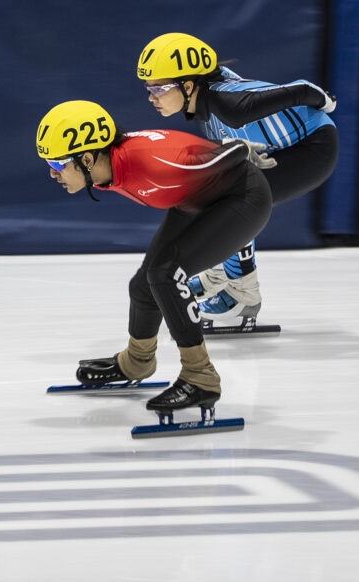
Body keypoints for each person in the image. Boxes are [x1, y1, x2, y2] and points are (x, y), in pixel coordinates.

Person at [36, 100, 274, 415]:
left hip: (242, 198)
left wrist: (241, 148)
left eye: (57, 164)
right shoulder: (109, 164)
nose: (53, 173)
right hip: (196, 196)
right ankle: (137, 361)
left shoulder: (150, 165)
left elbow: (218, 156)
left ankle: (201, 377)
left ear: (88, 158)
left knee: (165, 274)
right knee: (143, 285)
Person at [137, 33, 339, 329]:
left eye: (159, 88)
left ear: (188, 85)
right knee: (206, 193)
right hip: (282, 145)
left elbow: (301, 89)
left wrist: (325, 101)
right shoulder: (204, 97)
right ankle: (220, 276)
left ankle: (242, 296)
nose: (151, 97)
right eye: (148, 88)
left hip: (313, 148)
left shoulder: (229, 105)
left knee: (233, 201)